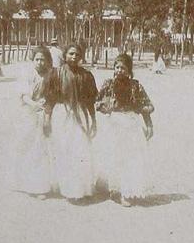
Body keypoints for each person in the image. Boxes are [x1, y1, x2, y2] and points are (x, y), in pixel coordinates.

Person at [95, 53, 154, 207]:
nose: (119, 70)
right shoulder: (108, 84)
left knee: (130, 158)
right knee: (114, 156)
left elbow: (144, 106)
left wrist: (149, 125)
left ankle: (126, 191)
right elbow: (97, 102)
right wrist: (107, 108)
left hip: (131, 124)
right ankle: (115, 190)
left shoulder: (135, 86)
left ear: (129, 70)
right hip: (114, 123)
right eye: (117, 67)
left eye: (123, 67)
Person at [52, 43, 98, 199]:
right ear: (65, 55)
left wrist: (93, 121)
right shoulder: (56, 74)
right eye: (71, 53)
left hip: (80, 114)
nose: (74, 57)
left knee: (80, 150)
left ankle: (79, 189)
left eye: (77, 54)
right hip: (62, 114)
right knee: (63, 150)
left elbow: (90, 101)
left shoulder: (86, 76)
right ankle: (64, 187)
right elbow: (50, 99)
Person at [16, 46, 57, 196]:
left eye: (42, 59)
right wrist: (36, 105)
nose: (39, 62)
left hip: (45, 113)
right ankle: (26, 182)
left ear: (47, 61)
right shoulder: (27, 74)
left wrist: (47, 107)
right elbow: (24, 96)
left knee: (42, 150)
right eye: (37, 59)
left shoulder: (51, 75)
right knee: (28, 147)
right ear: (33, 60)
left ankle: (41, 186)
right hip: (29, 113)